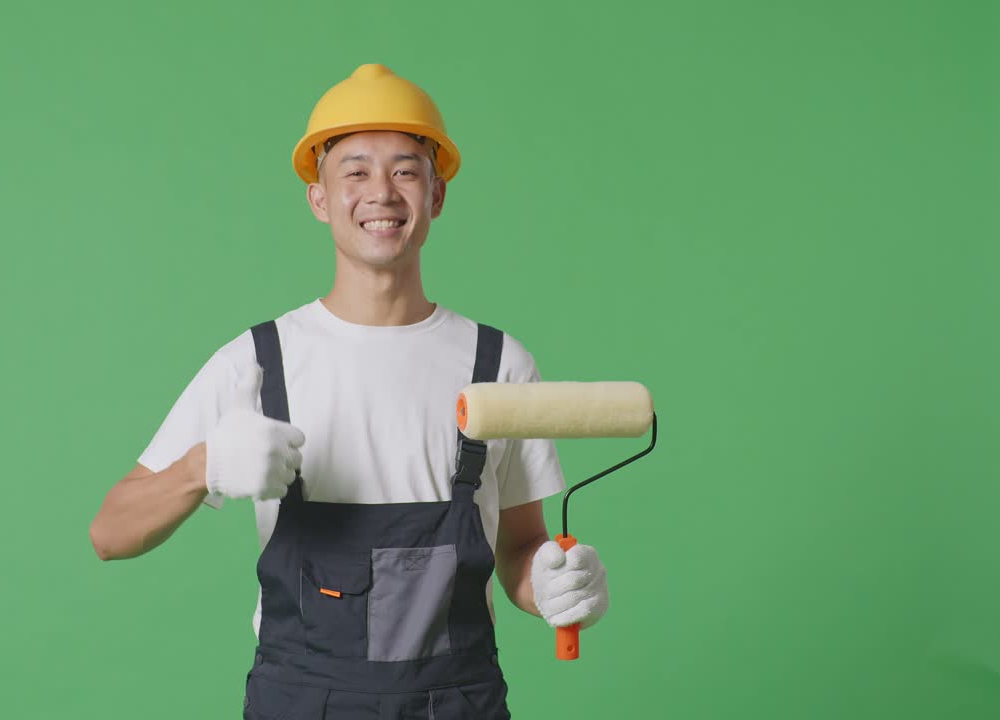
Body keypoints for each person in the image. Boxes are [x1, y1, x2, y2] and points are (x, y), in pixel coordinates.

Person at [89, 63, 610, 719]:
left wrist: (554, 583)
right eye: (355, 171)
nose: (381, 193)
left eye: (405, 169)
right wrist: (205, 466)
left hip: (458, 705)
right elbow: (110, 532)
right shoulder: (256, 363)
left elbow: (518, 548)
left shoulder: (498, 365)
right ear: (320, 198)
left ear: (437, 194)